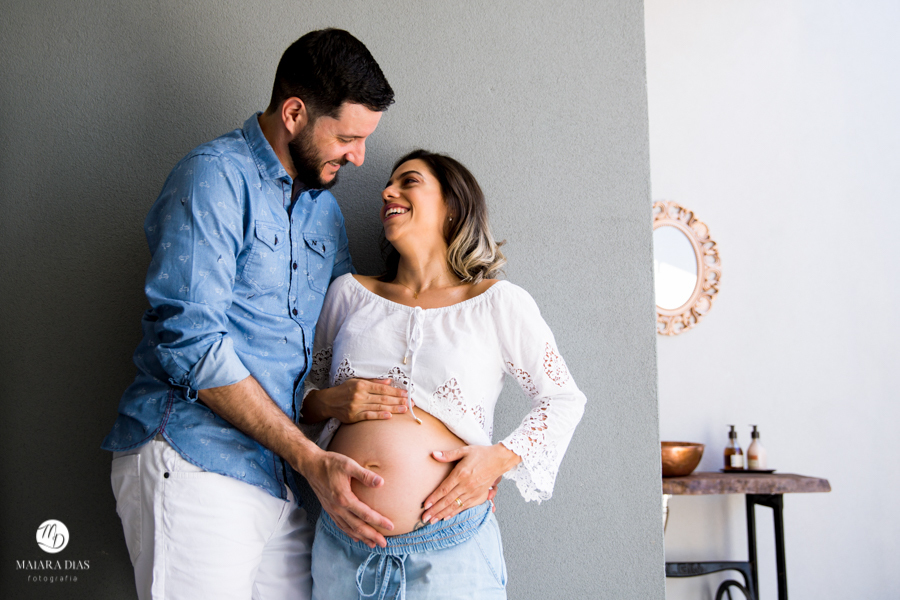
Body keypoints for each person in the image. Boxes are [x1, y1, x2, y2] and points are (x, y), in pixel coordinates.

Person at [101, 29, 407, 600]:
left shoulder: (326, 214)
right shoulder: (213, 176)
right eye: (347, 137)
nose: (360, 157)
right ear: (294, 113)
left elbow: (329, 348)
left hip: (283, 482)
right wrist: (311, 458)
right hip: (196, 464)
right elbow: (190, 343)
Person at [301, 150, 587, 599]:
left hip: (450, 552)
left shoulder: (497, 303)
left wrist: (498, 458)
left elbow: (563, 398)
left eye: (408, 181)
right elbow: (300, 397)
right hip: (342, 546)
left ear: (452, 206)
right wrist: (332, 401)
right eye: (388, 185)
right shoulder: (349, 294)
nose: (387, 192)